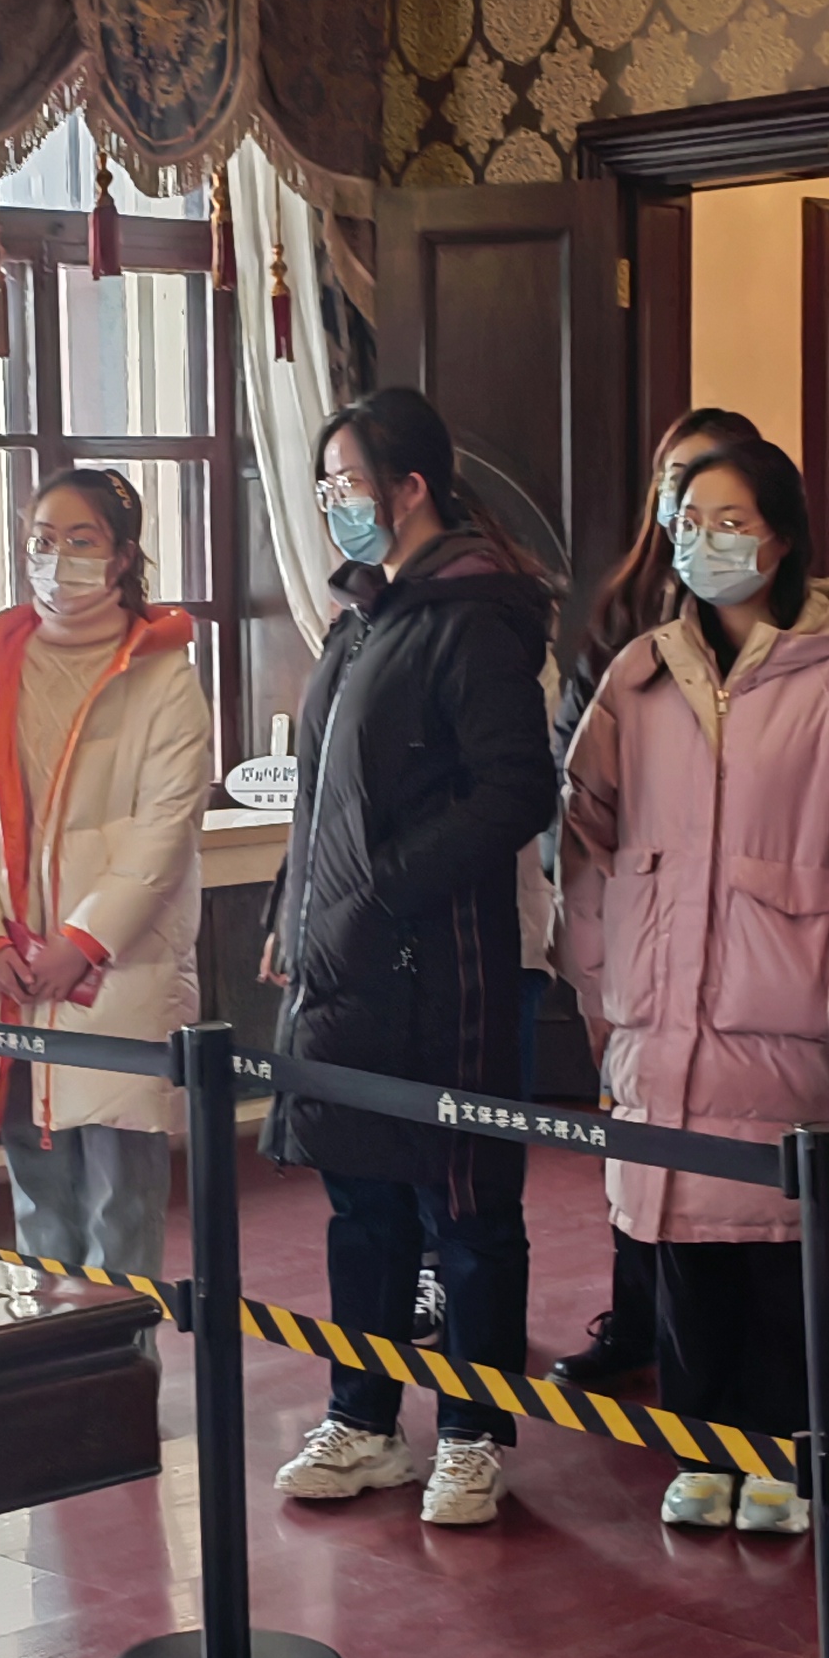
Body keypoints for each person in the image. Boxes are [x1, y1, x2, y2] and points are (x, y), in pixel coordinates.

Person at [562, 432, 829, 1530]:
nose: (704, 542)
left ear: (782, 537)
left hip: (788, 1013)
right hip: (661, 1007)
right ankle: (703, 1444)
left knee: (779, 1248)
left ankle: (792, 1453)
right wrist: (601, 980)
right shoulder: (641, 674)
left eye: (731, 521)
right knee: (679, 1240)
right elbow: (586, 839)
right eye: (688, 522)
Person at [262, 387, 558, 1530]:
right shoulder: (362, 618)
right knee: (362, 1198)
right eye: (327, 484)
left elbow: (514, 791)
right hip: (343, 957)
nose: (335, 503)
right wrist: (294, 907)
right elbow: (321, 796)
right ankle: (365, 1418)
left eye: (347, 482)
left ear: (411, 487)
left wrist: (382, 890)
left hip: (445, 962)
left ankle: (474, 1435)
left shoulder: (471, 616)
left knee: (464, 1206)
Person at [0, 468, 209, 1280]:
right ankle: (50, 1347)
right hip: (11, 974)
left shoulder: (163, 677)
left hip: (114, 974)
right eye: (42, 540)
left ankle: (125, 1352)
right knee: (37, 1197)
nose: (57, 559)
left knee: (122, 1203)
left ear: (120, 557)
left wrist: (84, 942)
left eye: (80, 541)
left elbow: (163, 831)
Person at [550, 405, 767, 1395]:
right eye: (675, 487)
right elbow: (574, 767)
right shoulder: (627, 616)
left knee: (731, 1169)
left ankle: (751, 1381)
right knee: (635, 1140)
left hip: (744, 928)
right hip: (636, 905)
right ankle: (635, 1317)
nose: (691, 514)